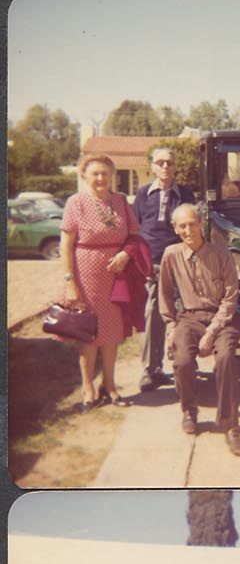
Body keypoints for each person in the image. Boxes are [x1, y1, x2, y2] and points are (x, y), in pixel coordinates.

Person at [159, 204, 240, 456]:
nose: (188, 230)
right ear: (176, 229)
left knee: (225, 358)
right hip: (188, 317)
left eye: (192, 223)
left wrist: (212, 331)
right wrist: (170, 326)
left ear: (201, 224)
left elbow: (231, 299)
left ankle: (231, 426)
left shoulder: (222, 254)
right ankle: (189, 410)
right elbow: (164, 293)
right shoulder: (171, 254)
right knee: (183, 360)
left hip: (222, 319)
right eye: (182, 226)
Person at [60, 155, 140, 411]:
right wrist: (70, 282)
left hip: (116, 277)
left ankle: (110, 385)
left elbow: (135, 235)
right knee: (89, 333)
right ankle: (88, 389)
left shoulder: (120, 201)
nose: (100, 178)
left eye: (105, 173)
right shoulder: (76, 203)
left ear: (112, 176)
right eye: (95, 173)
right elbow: (65, 245)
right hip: (86, 276)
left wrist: (126, 253)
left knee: (112, 333)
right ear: (84, 176)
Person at [133, 147, 194, 392]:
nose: (165, 167)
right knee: (152, 317)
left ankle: (184, 369)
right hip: (152, 265)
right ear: (153, 167)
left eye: (169, 162)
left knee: (183, 317)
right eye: (160, 162)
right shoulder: (142, 194)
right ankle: (150, 370)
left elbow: (192, 229)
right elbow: (134, 230)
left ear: (175, 166)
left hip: (180, 265)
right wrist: (141, 263)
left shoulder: (186, 194)